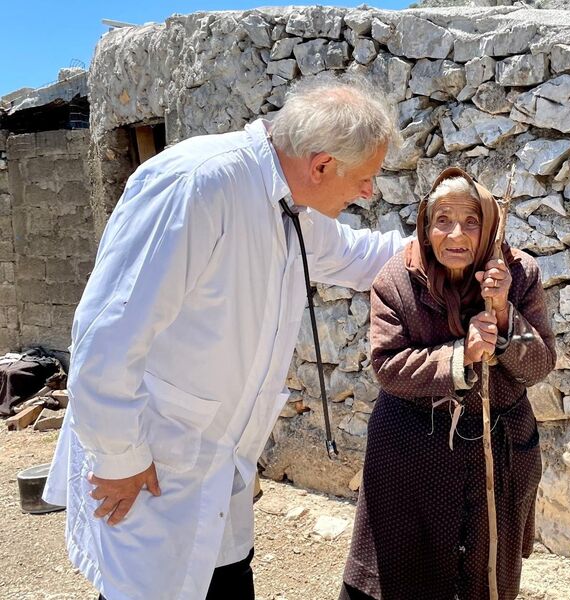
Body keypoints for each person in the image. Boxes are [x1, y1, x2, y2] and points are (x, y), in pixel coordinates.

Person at [43, 75, 408, 600]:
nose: (368, 193)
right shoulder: (199, 183)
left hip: (215, 469)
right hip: (150, 464)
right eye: (365, 178)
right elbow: (108, 333)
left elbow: (361, 256)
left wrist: (456, 244)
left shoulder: (291, 202)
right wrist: (118, 458)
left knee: (224, 578)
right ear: (322, 164)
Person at [340, 167, 557, 600]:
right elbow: (387, 365)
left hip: (497, 452)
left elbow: (539, 365)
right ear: (425, 225)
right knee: (399, 577)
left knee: (484, 577)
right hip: (410, 452)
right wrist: (461, 355)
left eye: (471, 222)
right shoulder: (396, 280)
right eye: (442, 220)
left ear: (490, 226)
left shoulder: (519, 275)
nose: (456, 235)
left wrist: (504, 316)